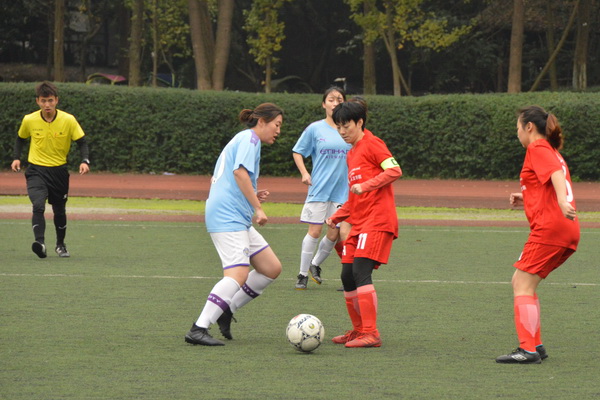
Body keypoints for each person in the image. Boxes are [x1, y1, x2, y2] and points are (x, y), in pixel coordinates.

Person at [185, 103, 284, 346]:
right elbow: (239, 173)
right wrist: (258, 208)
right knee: (238, 274)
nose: (278, 130)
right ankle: (199, 328)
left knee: (270, 268)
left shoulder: (245, 139)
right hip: (227, 216)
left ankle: (226, 309)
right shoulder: (250, 139)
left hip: (235, 215)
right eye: (277, 124)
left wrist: (252, 196)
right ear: (262, 121)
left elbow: (231, 177)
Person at [496, 106, 580, 364]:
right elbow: (549, 182)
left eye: (518, 128)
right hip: (565, 230)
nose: (517, 134)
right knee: (523, 283)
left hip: (550, 228)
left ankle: (527, 350)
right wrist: (527, 195)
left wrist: (563, 201)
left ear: (529, 127)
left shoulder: (538, 148)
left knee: (522, 284)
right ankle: (536, 346)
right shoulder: (551, 150)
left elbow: (555, 174)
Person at [325, 101, 402, 348]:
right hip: (358, 223)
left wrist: (366, 185)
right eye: (338, 127)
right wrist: (337, 216)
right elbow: (355, 196)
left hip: (377, 221)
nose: (342, 131)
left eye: (346, 126)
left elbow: (395, 170)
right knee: (347, 276)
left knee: (360, 272)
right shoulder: (351, 154)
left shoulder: (373, 143)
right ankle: (358, 330)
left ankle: (371, 333)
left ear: (359, 122)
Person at [11, 81, 90, 259]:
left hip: (59, 171)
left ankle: (60, 245)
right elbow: (20, 139)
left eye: (50, 100)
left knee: (59, 210)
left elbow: (82, 142)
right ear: (38, 101)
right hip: (36, 170)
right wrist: (16, 157)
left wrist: (84, 160)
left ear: (56, 100)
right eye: (43, 101)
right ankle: (40, 243)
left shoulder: (68, 120)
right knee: (38, 205)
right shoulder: (29, 120)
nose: (47, 104)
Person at [292, 86, 352, 290]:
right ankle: (302, 275)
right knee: (315, 231)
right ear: (323, 104)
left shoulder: (349, 129)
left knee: (334, 233)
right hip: (319, 188)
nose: (335, 103)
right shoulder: (315, 129)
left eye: (339, 99)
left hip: (343, 191)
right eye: (331, 99)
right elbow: (298, 152)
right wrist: (304, 173)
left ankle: (315, 264)